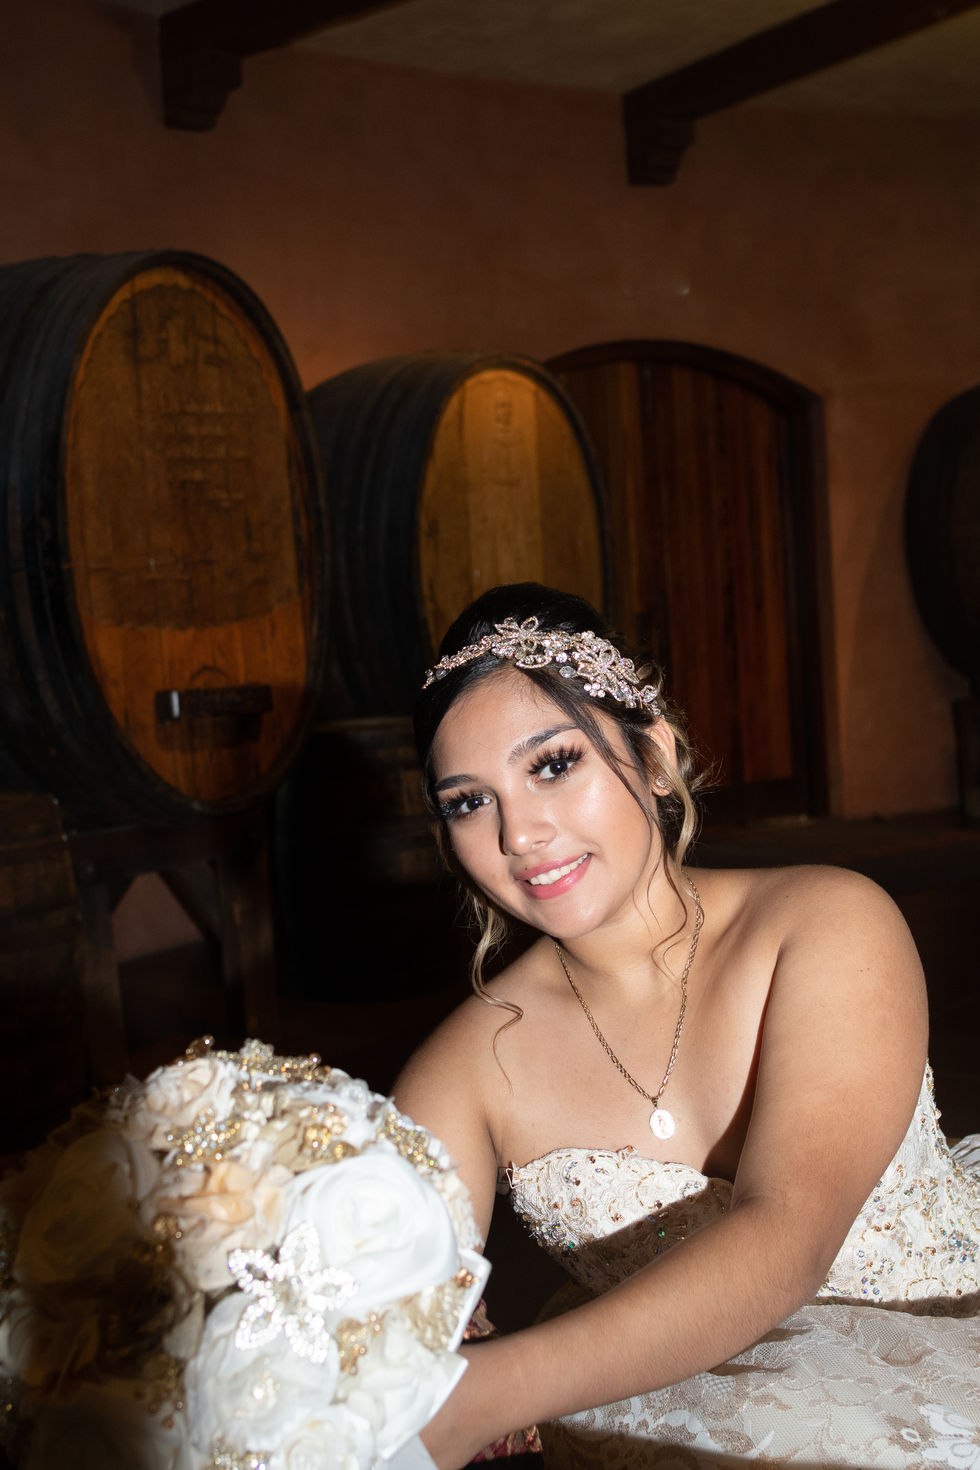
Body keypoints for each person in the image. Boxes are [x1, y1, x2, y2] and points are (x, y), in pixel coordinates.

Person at [394, 582, 980, 1470]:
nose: (519, 833)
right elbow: (376, 1314)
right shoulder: (465, 1068)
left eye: (553, 765)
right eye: (469, 801)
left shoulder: (826, 924)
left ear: (656, 755)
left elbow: (787, 1236)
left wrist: (484, 1395)